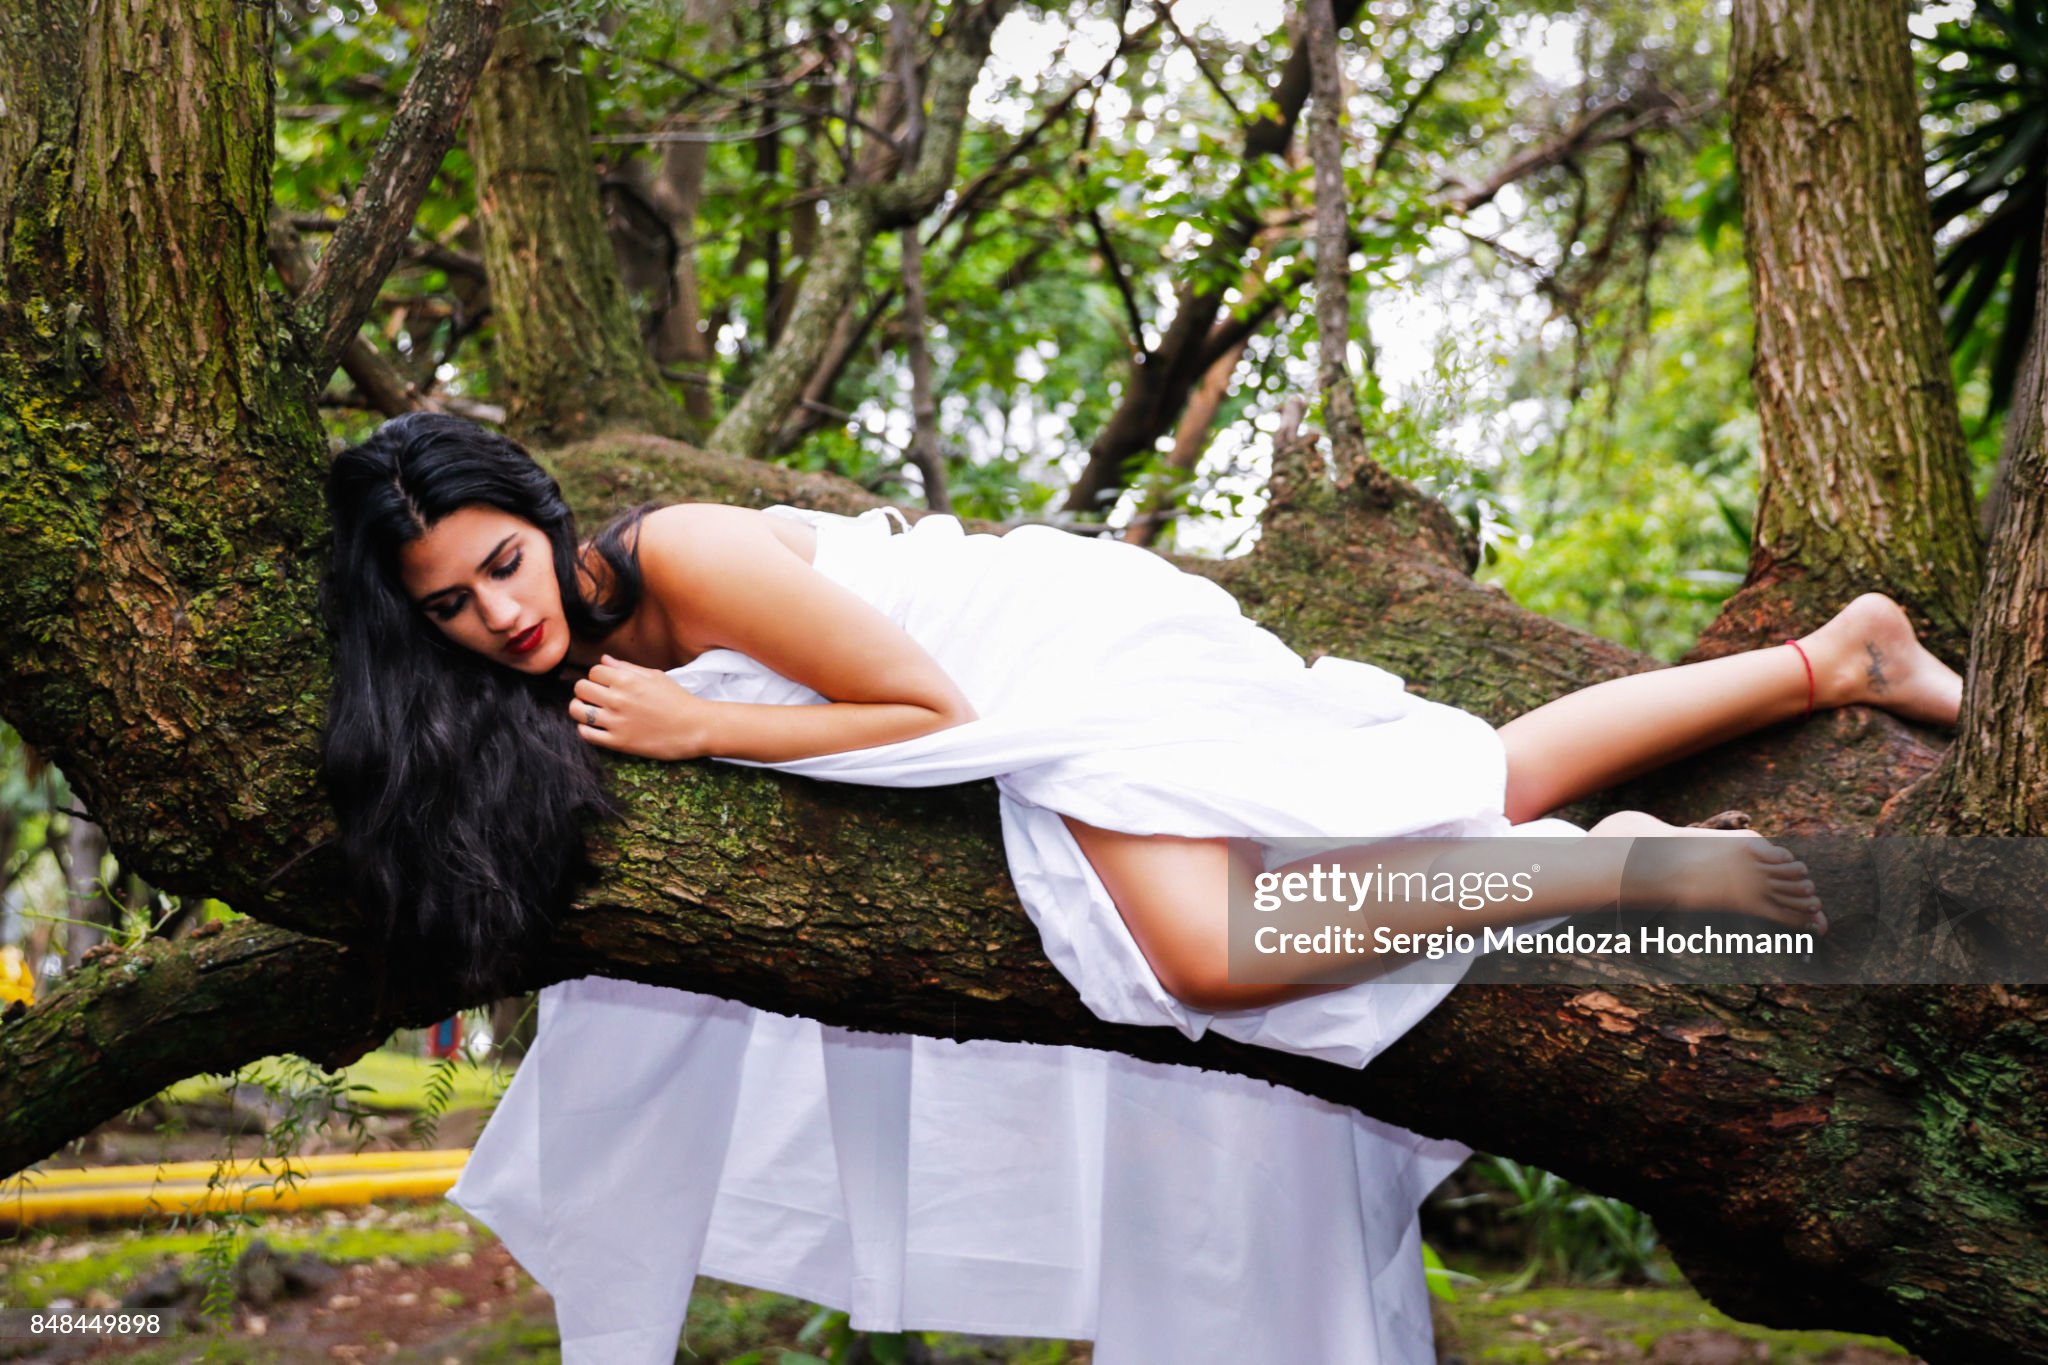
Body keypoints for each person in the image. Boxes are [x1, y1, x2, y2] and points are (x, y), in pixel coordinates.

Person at [320, 412, 1960, 1363]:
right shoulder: (543, 673)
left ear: (544, 516)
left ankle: (1606, 872)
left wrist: (700, 727)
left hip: (1041, 656)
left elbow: (931, 714)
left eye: (502, 566)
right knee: (1451, 773)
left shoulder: (678, 554)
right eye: (449, 608)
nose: (492, 617)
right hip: (1008, 692)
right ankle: (1835, 653)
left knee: (1214, 947)